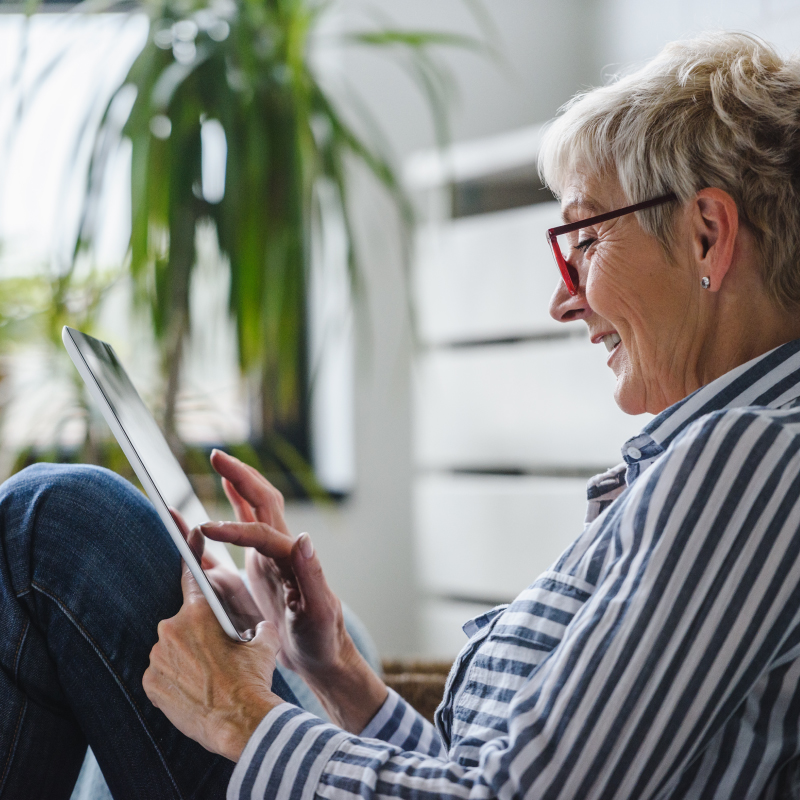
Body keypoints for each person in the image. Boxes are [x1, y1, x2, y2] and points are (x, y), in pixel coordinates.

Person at [5, 29, 800, 800]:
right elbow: (489, 772)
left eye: (583, 239)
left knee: (59, 518)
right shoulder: (714, 459)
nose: (563, 298)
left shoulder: (751, 459)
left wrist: (240, 713)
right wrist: (334, 667)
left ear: (706, 236)